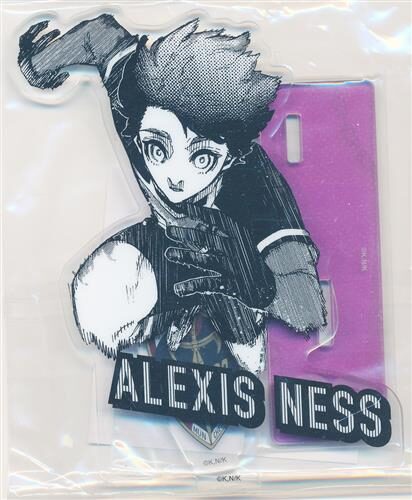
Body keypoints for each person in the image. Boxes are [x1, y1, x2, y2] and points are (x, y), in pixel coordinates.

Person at [18, 15, 326, 373]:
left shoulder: (257, 189)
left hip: (231, 275)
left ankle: (244, 354)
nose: (175, 177)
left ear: (231, 157)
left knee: (243, 353)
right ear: (139, 121)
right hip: (169, 248)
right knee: (99, 297)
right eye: (158, 148)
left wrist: (259, 285)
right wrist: (39, 65)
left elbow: (307, 307)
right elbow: (99, 36)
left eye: (202, 158)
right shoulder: (138, 100)